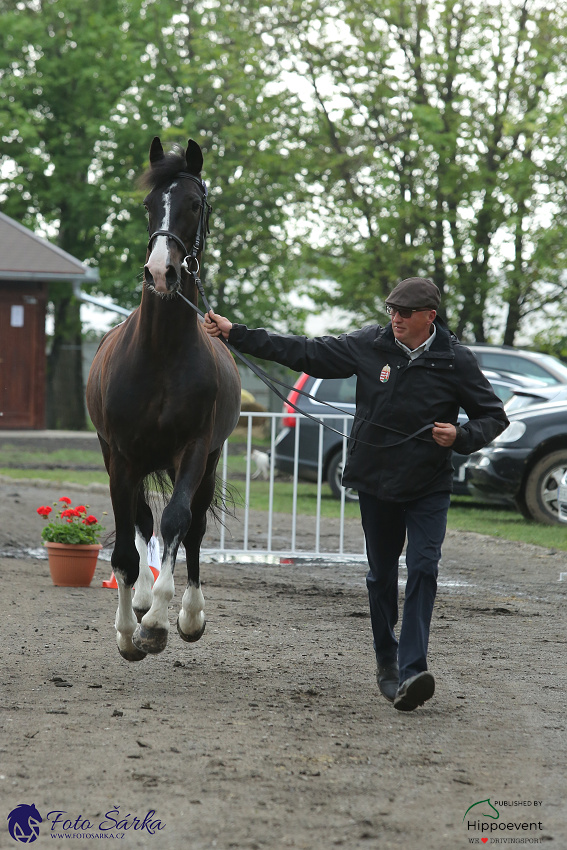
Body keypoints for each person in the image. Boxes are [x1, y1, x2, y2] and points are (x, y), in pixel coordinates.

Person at [204, 278, 509, 711]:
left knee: (424, 568)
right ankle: (386, 660)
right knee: (381, 576)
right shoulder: (370, 343)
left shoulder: (454, 360)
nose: (396, 318)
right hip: (375, 480)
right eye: (392, 310)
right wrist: (237, 334)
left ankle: (412, 670)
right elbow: (306, 351)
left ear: (430, 317)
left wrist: (460, 435)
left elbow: (494, 416)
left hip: (428, 486)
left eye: (405, 312)